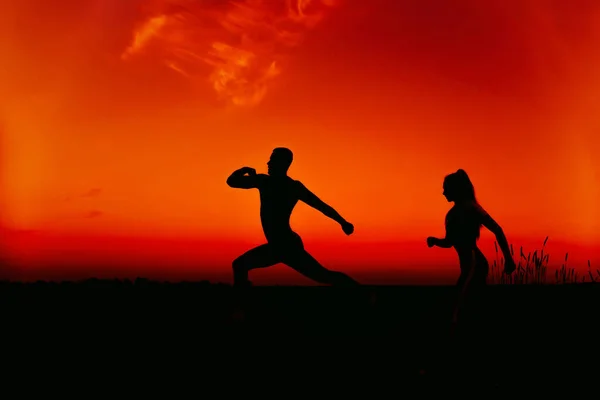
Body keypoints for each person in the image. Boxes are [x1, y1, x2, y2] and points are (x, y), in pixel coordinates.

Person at [227, 147, 359, 287]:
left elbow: (321, 206)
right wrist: (244, 170)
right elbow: (231, 182)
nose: (268, 163)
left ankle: (362, 292)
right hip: (278, 245)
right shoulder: (264, 181)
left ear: (282, 163)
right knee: (239, 265)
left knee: (323, 276)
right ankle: (244, 300)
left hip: (287, 245)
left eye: (272, 160)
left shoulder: (288, 186)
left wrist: (343, 222)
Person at [426, 169, 516, 331]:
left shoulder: (472, 209)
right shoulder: (452, 214)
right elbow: (450, 242)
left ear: (456, 189)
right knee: (466, 304)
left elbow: (498, 230)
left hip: (475, 264)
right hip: (469, 264)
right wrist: (435, 241)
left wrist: (508, 259)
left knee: (461, 303)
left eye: (446, 188)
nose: (443, 192)